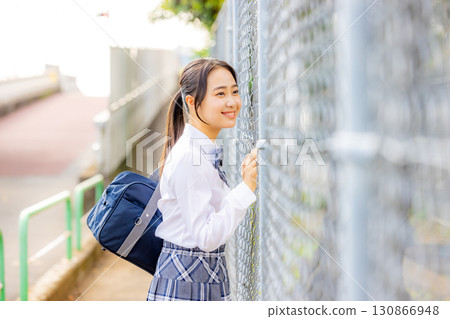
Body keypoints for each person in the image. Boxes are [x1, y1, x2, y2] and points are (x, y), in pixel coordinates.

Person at [146, 57, 259, 301]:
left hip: (198, 275)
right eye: (220, 94)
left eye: (235, 91)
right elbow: (206, 236)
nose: (232, 102)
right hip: (188, 280)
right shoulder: (189, 156)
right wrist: (246, 188)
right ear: (192, 101)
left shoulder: (199, 151)